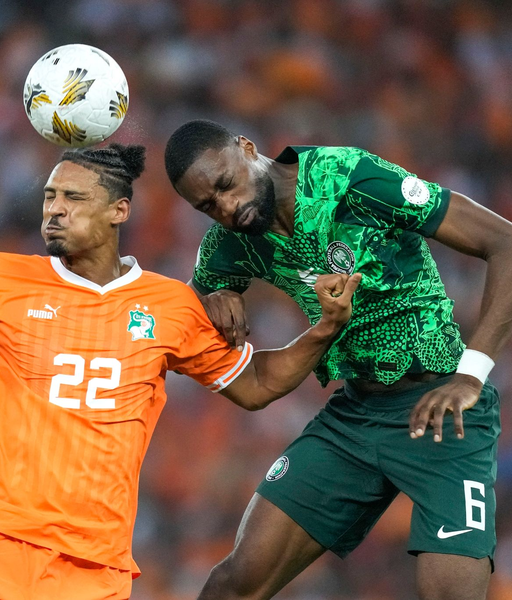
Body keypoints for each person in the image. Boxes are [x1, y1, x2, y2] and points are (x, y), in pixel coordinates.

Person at [0, 143, 358, 600]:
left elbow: (255, 386)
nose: (53, 209)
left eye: (72, 198)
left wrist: (324, 329)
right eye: (49, 197)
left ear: (118, 210)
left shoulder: (171, 305)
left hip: (93, 568)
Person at [164, 119, 512, 600]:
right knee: (234, 584)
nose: (227, 208)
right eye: (207, 206)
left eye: (225, 185)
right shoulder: (231, 241)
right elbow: (190, 298)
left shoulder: (349, 178)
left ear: (247, 148)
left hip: (442, 408)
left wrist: (471, 375)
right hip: (355, 417)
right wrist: (214, 293)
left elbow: (505, 242)